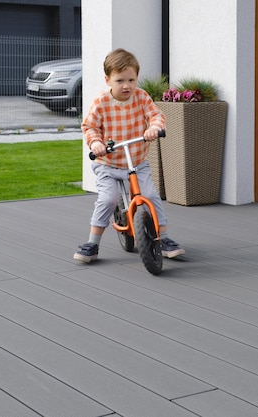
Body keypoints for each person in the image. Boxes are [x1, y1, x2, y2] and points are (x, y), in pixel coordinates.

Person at [75, 48, 185, 263]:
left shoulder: (141, 97)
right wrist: (96, 142)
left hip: (136, 162)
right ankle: (92, 243)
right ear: (108, 80)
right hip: (108, 163)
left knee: (151, 196)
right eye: (120, 80)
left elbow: (156, 115)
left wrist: (154, 127)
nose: (126, 85)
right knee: (108, 199)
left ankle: (163, 238)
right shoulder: (101, 102)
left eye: (131, 80)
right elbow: (89, 127)